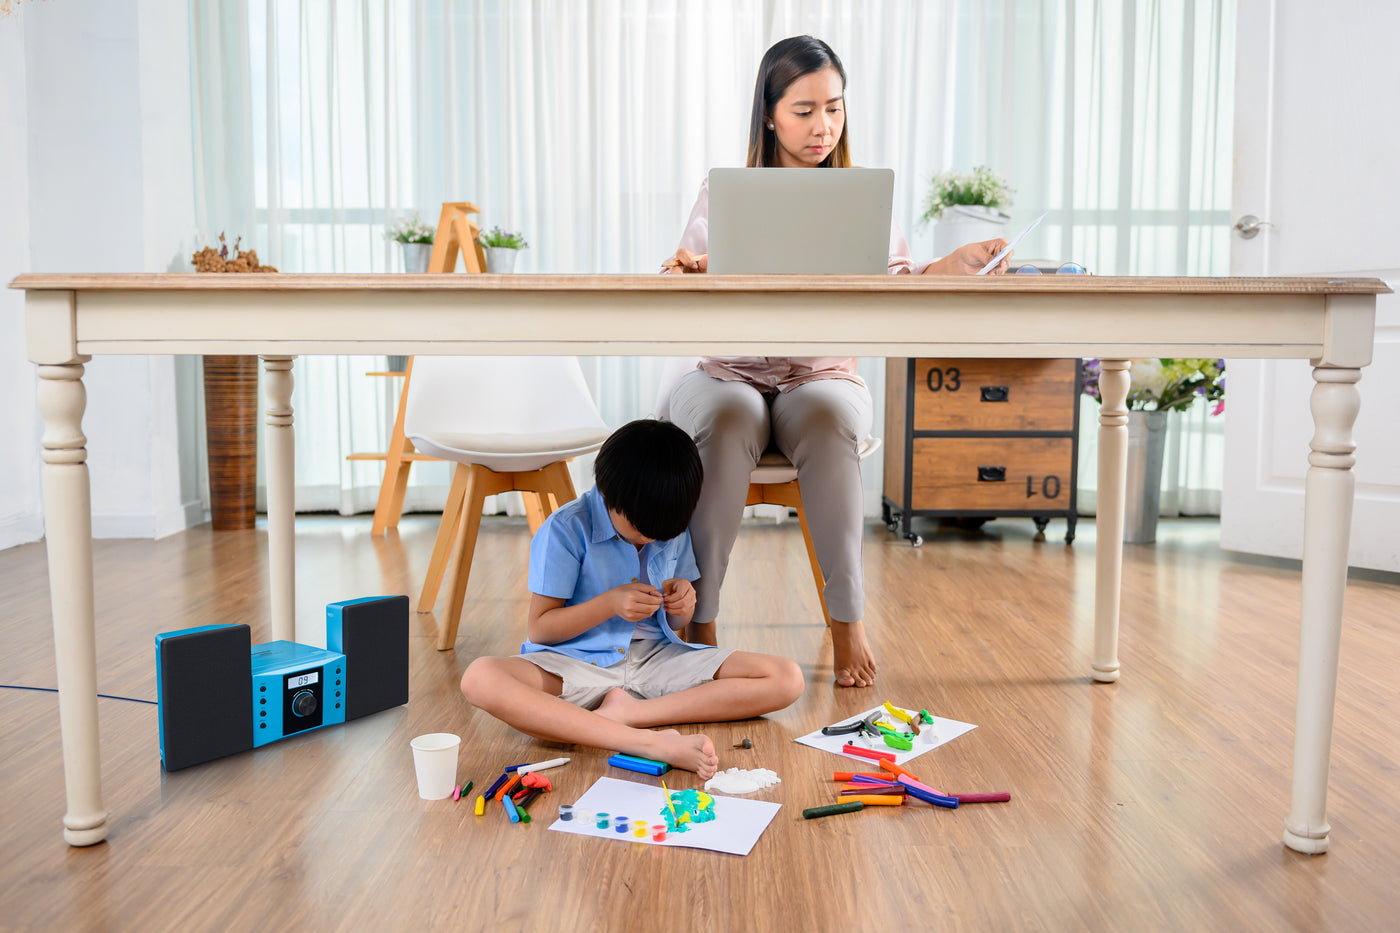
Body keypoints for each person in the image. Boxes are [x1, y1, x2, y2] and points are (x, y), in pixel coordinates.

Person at [663, 35, 1012, 688]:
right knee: (731, 417)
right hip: (726, 373)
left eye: (835, 107)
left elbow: (896, 282)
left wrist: (947, 267)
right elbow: (683, 279)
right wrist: (697, 267)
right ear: (769, 114)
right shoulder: (725, 191)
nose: (823, 125)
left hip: (820, 375)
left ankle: (847, 619)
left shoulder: (859, 195)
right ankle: (702, 622)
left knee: (827, 419)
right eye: (804, 110)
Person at [459, 419, 805, 780]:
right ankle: (645, 742)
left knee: (786, 678)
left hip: (657, 661)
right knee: (480, 677)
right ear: (609, 495)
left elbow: (674, 626)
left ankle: (629, 714)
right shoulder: (565, 529)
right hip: (578, 664)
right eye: (639, 531)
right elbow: (542, 630)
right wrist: (608, 604)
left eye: (661, 535)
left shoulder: (667, 526)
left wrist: (681, 609)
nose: (649, 541)